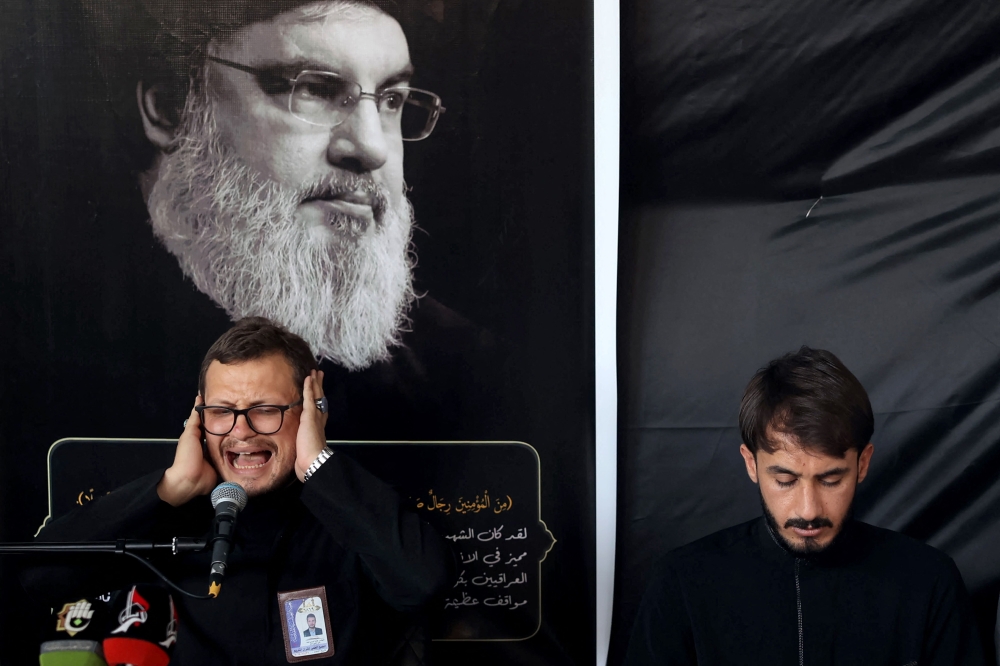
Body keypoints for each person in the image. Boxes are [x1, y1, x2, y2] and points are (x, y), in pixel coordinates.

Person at [20, 317, 451, 663]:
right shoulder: (173, 515)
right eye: (222, 411)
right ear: (198, 417)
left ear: (312, 411)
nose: (240, 431)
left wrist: (317, 467)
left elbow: (422, 583)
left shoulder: (351, 505)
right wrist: (171, 487)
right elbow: (38, 577)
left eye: (265, 410)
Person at [624, 347, 985, 665]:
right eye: (785, 480)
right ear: (751, 464)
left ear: (863, 464)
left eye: (831, 480)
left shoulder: (929, 582)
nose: (809, 510)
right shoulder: (682, 585)